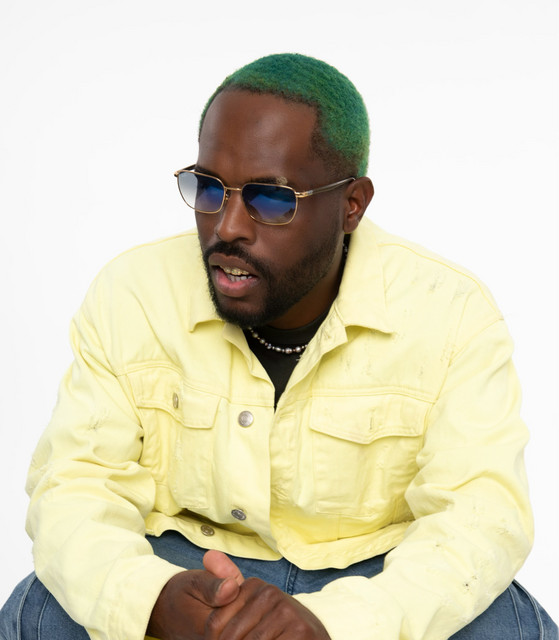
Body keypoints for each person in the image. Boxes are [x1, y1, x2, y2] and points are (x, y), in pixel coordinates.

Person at [0, 53, 556, 640]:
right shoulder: (132, 292)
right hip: (188, 562)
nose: (228, 226)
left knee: (503, 627)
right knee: (44, 611)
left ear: (351, 205)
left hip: (378, 575)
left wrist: (333, 624)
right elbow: (75, 486)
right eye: (209, 188)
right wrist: (154, 601)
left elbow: (479, 518)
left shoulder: (451, 312)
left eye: (271, 199)